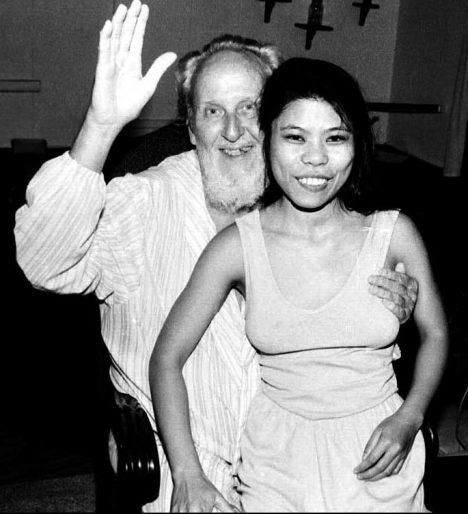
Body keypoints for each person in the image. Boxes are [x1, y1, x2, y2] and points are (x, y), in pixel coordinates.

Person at [14, 1, 418, 511]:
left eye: (249, 108)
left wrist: (391, 303)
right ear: (190, 128)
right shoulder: (143, 202)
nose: (232, 130)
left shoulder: (310, 202)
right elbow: (44, 261)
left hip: (294, 459)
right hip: (181, 464)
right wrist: (100, 127)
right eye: (212, 111)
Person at [149, 57, 448, 512]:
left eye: (335, 138)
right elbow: (166, 358)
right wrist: (188, 474)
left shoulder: (394, 234)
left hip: (380, 451)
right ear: (266, 138)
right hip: (277, 462)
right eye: (295, 137)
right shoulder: (236, 246)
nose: (316, 158)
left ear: (358, 144)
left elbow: (437, 333)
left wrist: (411, 416)